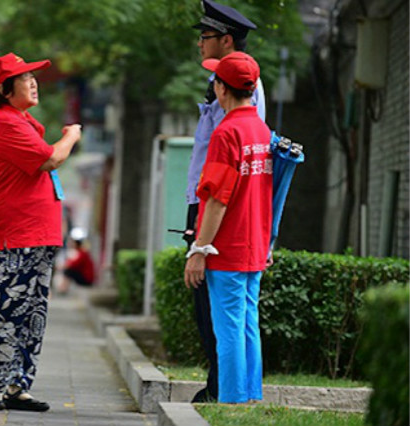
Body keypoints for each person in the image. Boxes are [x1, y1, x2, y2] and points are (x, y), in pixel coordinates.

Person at [0, 53, 81, 412]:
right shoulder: (6, 122)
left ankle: (16, 385)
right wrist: (71, 136)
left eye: (33, 76)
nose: (33, 82)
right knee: (3, 312)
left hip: (35, 234)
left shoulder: (23, 123)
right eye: (24, 78)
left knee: (31, 315)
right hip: (14, 235)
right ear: (5, 89)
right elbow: (50, 159)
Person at [184, 0, 266, 403]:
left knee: (227, 324)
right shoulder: (261, 132)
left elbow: (217, 196)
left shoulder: (229, 132)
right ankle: (250, 395)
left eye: (206, 37)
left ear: (222, 87)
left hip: (225, 241)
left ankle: (230, 399)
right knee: (247, 322)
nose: (201, 43)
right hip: (252, 238)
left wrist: (200, 248)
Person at [56, 228, 95, 294]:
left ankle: (63, 288)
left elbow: (71, 265)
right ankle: (63, 288)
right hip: (85, 278)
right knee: (68, 271)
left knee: (69, 271)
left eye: (72, 242)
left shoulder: (82, 253)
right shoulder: (81, 252)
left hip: (87, 280)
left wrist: (60, 266)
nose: (70, 243)